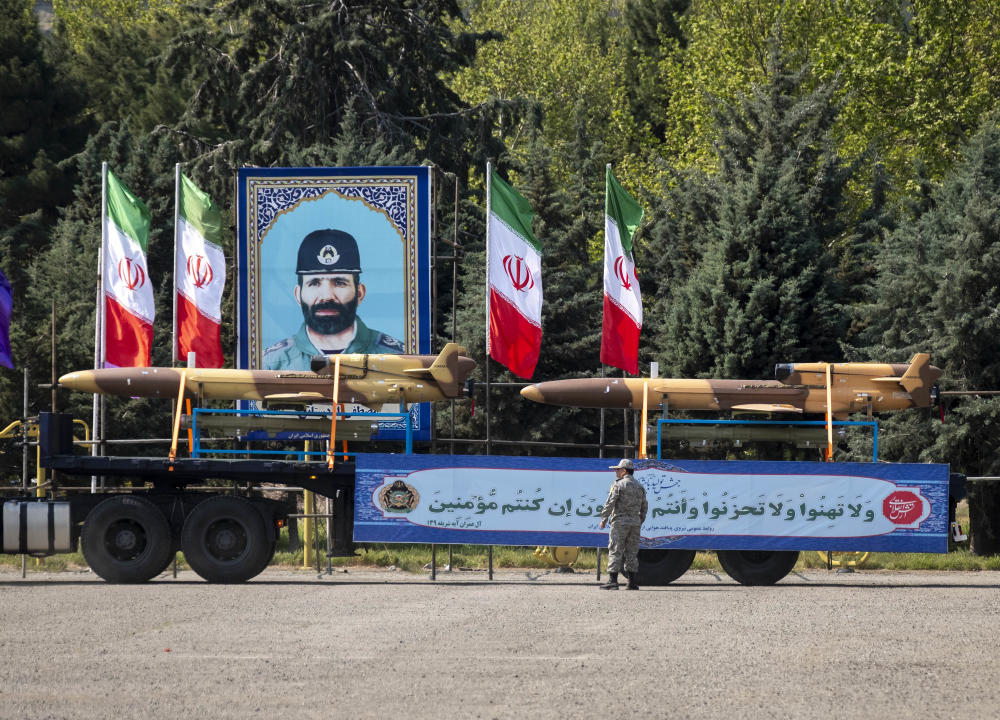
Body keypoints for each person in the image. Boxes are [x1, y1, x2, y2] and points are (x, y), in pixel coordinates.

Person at [263, 229, 404, 370]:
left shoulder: (396, 359)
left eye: (339, 283)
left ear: (360, 293)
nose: (327, 296)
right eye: (314, 283)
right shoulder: (273, 363)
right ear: (298, 295)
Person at [599, 458, 648, 590]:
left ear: (624, 471)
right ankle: (631, 582)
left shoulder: (618, 485)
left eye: (618, 470)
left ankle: (613, 581)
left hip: (620, 523)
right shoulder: (640, 487)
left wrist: (604, 518)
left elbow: (611, 502)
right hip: (635, 524)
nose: (616, 472)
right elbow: (644, 508)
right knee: (632, 552)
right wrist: (639, 521)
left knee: (615, 549)